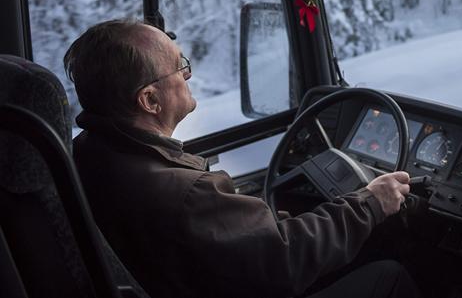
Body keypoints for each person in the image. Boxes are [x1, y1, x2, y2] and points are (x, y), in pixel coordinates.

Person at [65, 19, 419, 298]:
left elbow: (230, 243)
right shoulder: (184, 192)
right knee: (390, 276)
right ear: (150, 100)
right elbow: (285, 260)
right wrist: (370, 202)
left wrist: (263, 221)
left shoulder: (84, 154)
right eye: (179, 67)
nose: (189, 75)